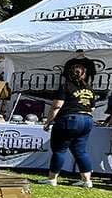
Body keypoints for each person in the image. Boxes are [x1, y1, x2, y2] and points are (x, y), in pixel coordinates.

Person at [38, 56, 97, 188]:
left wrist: (48, 122)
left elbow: (56, 106)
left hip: (70, 120)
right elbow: (92, 108)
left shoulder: (65, 86)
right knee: (81, 151)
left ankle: (52, 178)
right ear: (84, 74)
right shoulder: (89, 89)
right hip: (87, 120)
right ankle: (87, 180)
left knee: (59, 150)